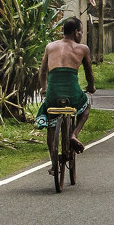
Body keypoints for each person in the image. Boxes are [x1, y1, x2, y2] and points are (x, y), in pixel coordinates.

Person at [37, 17, 95, 162]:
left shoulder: (50, 47)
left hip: (53, 94)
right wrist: (91, 87)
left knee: (51, 125)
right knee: (86, 105)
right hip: (72, 94)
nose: (81, 35)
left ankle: (53, 163)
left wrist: (44, 88)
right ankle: (74, 134)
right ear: (76, 32)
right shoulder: (82, 49)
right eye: (81, 32)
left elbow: (43, 72)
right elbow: (89, 72)